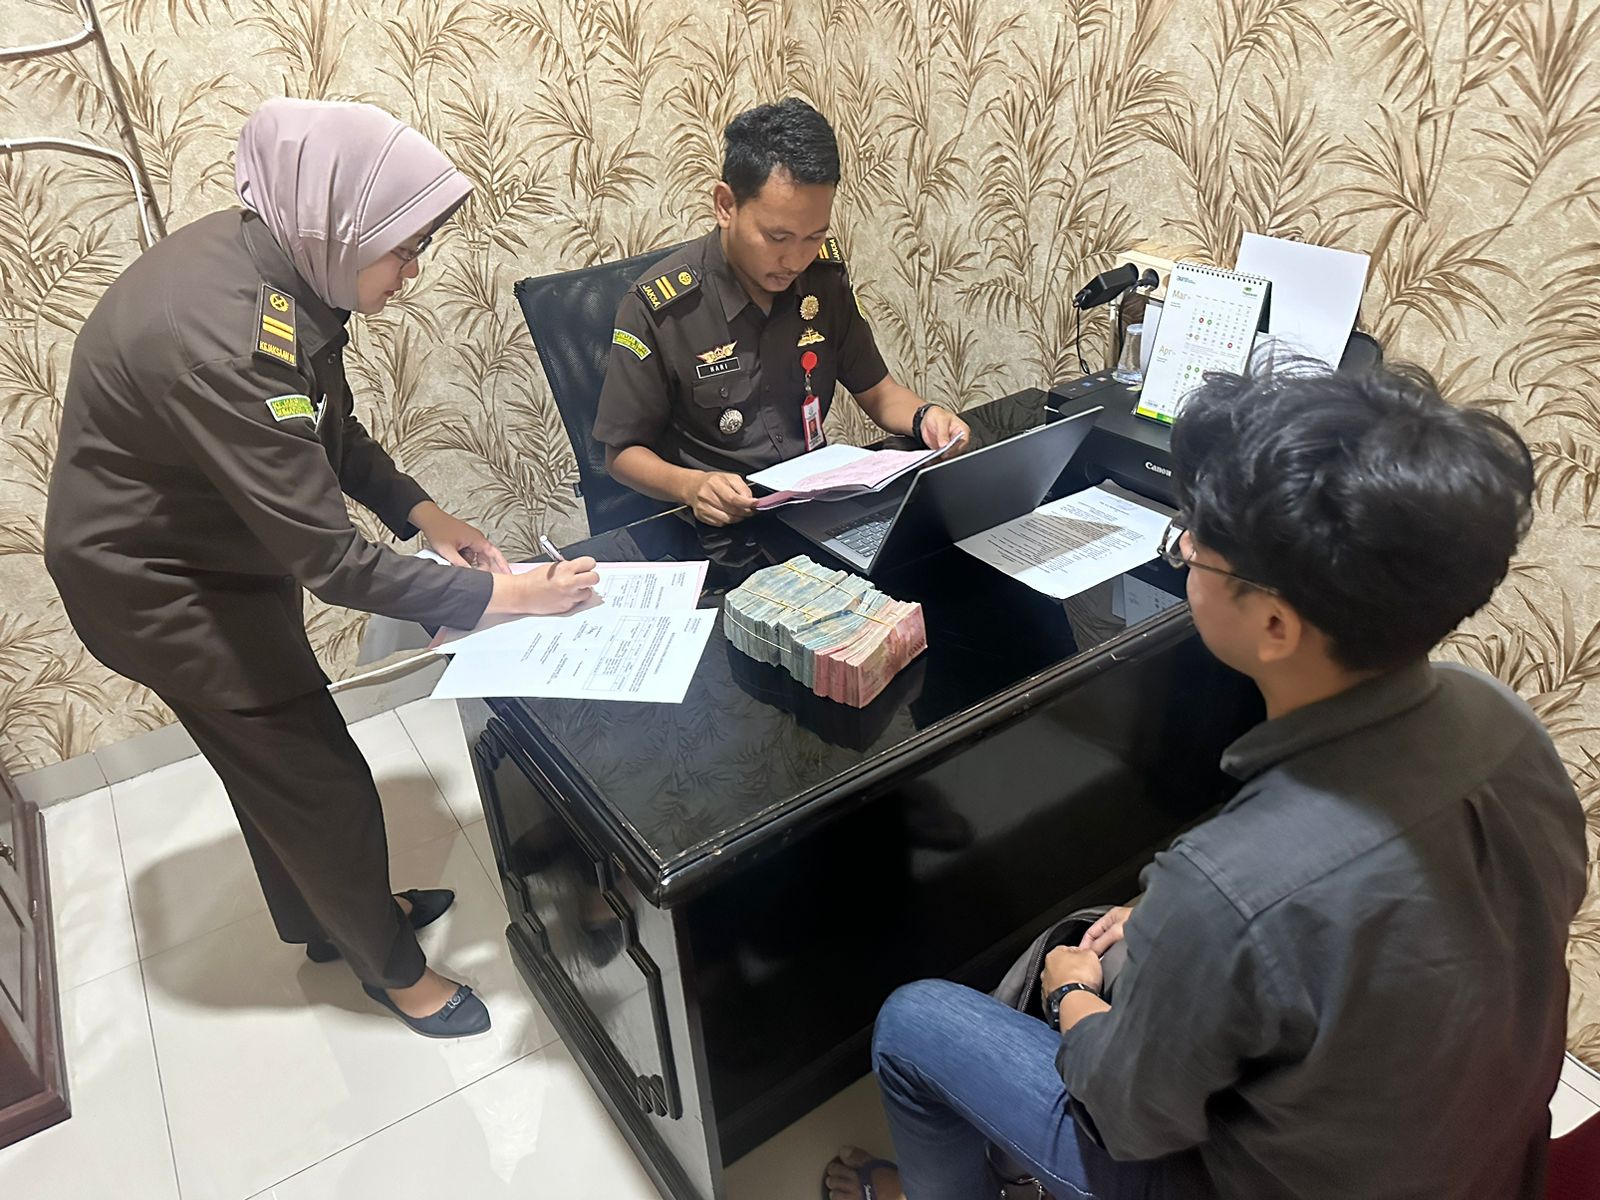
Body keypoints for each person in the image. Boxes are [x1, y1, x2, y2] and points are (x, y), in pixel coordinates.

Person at [824, 360, 1587, 1199]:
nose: (1183, 551)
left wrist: (1074, 996)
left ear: (1275, 623)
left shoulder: (1231, 884)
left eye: (1195, 542)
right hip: (1475, 1156)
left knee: (917, 1022)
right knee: (1109, 935)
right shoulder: (1505, 723)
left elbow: (1127, 1112)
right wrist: (1183, 927)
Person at [44, 98, 599, 1039]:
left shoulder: (284, 268)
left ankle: (332, 919)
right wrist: (507, 596)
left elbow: (325, 425)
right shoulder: (223, 340)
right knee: (318, 777)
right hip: (155, 585)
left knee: (277, 767)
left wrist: (423, 513)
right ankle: (393, 972)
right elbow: (335, 565)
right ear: (340, 223)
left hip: (208, 546)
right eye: (404, 251)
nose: (412, 275)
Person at [594, 98, 970, 526]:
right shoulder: (662, 309)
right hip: (717, 524)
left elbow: (879, 393)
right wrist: (691, 486)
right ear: (725, 205)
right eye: (777, 237)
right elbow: (621, 454)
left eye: (814, 237)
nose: (795, 260)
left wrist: (926, 418)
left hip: (810, 504)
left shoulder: (822, 280)